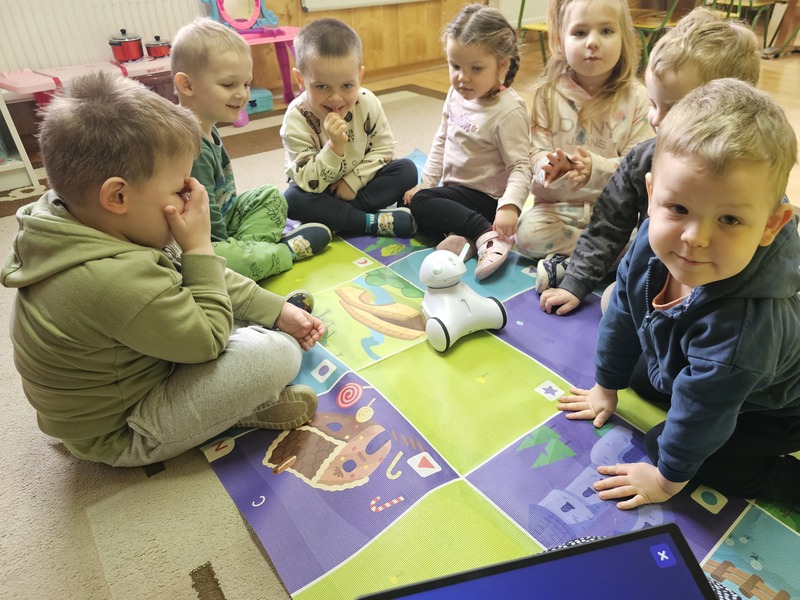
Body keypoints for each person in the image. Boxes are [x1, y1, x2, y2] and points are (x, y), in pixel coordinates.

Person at [0, 72, 325, 467]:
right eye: (179, 190)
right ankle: (235, 412)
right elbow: (208, 341)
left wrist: (275, 309)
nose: (191, 199)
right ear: (118, 195)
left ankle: (233, 398)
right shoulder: (111, 278)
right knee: (279, 355)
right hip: (125, 431)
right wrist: (199, 247)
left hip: (139, 357)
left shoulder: (84, 217)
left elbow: (186, 275)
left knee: (220, 297)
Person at [558, 78, 800, 508]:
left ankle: (786, 482)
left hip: (774, 410)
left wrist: (665, 481)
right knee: (640, 376)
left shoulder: (744, 329)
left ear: (770, 225)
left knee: (677, 451)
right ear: (652, 196)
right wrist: (605, 387)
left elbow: (703, 416)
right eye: (679, 209)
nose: (694, 238)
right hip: (715, 372)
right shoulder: (652, 240)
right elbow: (623, 313)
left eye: (729, 220)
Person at [539, 8, 761, 314]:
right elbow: (608, 225)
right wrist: (576, 281)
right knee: (612, 301)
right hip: (661, 272)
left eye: (673, 108)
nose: (655, 120)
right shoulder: (643, 159)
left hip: (727, 289)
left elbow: (775, 249)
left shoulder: (754, 171)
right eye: (654, 104)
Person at [172, 17, 331, 282]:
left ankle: (253, 253)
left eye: (246, 84)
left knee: (271, 196)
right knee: (220, 261)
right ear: (187, 85)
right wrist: (229, 249)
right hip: (202, 241)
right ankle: (284, 252)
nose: (242, 94)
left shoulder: (207, 125)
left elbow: (223, 204)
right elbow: (206, 228)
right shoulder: (189, 145)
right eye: (228, 85)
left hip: (226, 219)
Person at [514, 0, 652, 290]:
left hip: (615, 214)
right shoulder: (548, 95)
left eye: (606, 31)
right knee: (524, 236)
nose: (592, 42)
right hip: (558, 208)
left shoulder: (637, 98)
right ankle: (593, 261)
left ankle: (568, 265)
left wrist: (596, 168)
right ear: (560, 41)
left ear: (625, 38)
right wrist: (546, 165)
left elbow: (639, 166)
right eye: (579, 33)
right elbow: (534, 152)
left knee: (646, 242)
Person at [403, 4, 533, 281]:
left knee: (422, 203)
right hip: (455, 191)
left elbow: (521, 166)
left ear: (502, 64)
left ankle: (487, 234)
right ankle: (464, 236)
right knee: (413, 199)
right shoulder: (456, 94)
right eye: (455, 66)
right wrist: (427, 181)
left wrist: (509, 207)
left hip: (488, 199)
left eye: (476, 68)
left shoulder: (508, 111)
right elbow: (442, 138)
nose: (463, 77)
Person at [281, 18, 418, 238]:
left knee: (407, 170)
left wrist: (352, 182)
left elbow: (383, 150)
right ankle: (369, 222)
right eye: (322, 86)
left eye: (347, 85)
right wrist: (334, 147)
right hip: (320, 191)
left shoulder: (367, 102)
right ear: (300, 79)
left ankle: (337, 218)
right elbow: (310, 182)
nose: (336, 98)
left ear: (359, 77)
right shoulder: (297, 118)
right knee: (292, 200)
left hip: (360, 186)